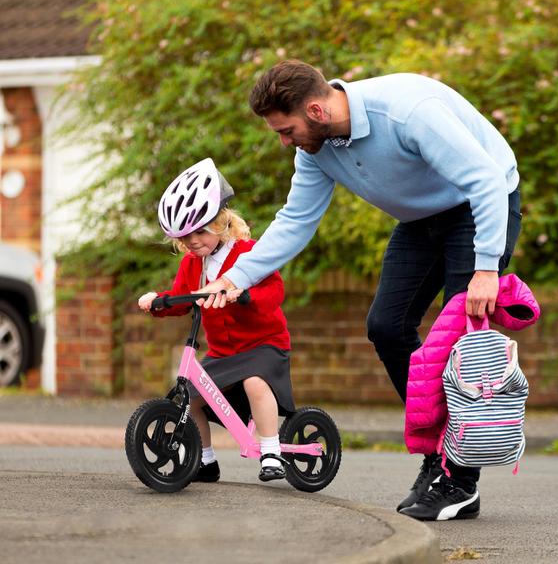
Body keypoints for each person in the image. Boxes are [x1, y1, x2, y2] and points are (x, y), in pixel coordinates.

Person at [199, 60, 522, 520]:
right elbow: (296, 221)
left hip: (479, 206)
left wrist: (486, 267)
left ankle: (460, 480)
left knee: (459, 344)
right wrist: (235, 277)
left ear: (316, 109)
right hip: (419, 221)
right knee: (386, 327)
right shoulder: (315, 149)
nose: (285, 141)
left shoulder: (410, 111)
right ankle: (439, 452)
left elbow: (485, 179)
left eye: (286, 130)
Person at [138, 157, 294, 483]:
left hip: (263, 345)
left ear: (221, 220)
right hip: (223, 352)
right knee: (191, 395)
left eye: (199, 232)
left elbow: (274, 291)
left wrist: (246, 295)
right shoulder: (193, 265)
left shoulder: (248, 253)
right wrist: (158, 302)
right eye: (184, 238)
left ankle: (271, 451)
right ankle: (204, 460)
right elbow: (181, 299)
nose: (193, 243)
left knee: (255, 381)